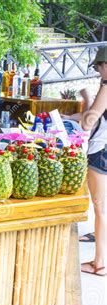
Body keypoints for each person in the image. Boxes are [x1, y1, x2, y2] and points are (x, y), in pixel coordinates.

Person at [66, 46, 107, 276]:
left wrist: (87, 99)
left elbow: (89, 122)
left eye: (99, 67)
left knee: (100, 208)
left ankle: (99, 263)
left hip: (101, 150)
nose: (99, 72)